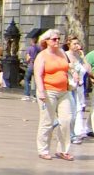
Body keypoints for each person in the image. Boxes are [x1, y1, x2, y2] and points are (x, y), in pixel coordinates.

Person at [34, 29, 74, 161]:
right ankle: (43, 150)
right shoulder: (42, 56)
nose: (57, 41)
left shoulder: (62, 53)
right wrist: (41, 91)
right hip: (48, 91)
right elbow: (38, 75)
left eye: (58, 39)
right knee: (47, 121)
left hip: (64, 91)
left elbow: (67, 68)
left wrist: (74, 74)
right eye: (54, 39)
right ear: (46, 41)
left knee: (67, 120)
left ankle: (63, 150)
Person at [64, 36, 90, 144]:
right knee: (72, 112)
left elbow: (87, 70)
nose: (77, 46)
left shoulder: (79, 57)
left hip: (79, 88)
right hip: (68, 87)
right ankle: (71, 135)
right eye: (74, 44)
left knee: (77, 111)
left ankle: (75, 133)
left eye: (77, 44)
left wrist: (83, 57)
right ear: (69, 44)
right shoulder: (65, 55)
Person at [23, 35, 42, 101]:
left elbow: (28, 58)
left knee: (27, 80)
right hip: (37, 66)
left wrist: (27, 61)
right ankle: (36, 96)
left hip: (30, 66)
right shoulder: (39, 48)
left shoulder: (29, 48)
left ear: (31, 41)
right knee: (37, 81)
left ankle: (27, 95)